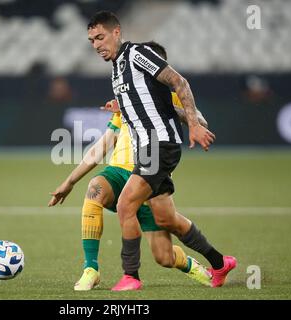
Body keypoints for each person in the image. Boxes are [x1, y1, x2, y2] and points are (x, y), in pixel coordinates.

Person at [87, 11, 236, 291]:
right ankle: (220, 263)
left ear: (116, 32)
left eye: (100, 37)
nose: (96, 45)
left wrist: (193, 123)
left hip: (158, 146)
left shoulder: (137, 54)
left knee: (125, 205)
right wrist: (123, 106)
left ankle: (131, 276)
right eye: (92, 40)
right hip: (148, 148)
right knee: (167, 219)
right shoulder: (117, 69)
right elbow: (149, 105)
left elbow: (180, 83)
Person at [49, 43, 211, 291]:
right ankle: (91, 269)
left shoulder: (172, 95)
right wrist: (69, 181)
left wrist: (165, 105)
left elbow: (199, 121)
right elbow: (104, 145)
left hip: (147, 175)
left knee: (164, 257)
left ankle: (192, 265)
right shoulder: (126, 97)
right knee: (94, 190)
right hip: (118, 171)